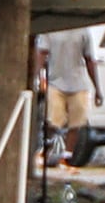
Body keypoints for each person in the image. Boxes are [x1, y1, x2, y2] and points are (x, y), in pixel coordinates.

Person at [39, 24, 101, 165]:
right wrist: (36, 76)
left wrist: (97, 87)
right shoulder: (51, 30)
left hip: (79, 83)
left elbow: (89, 58)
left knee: (76, 123)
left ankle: (66, 157)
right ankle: (46, 149)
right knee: (52, 121)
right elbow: (42, 52)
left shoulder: (83, 31)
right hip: (55, 82)